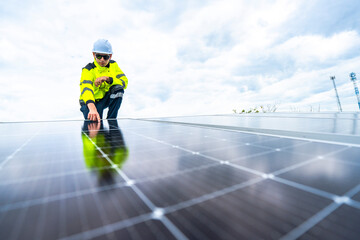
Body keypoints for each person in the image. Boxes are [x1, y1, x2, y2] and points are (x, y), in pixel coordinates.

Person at [79, 39, 128, 122]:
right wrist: (93, 109)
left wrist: (109, 79)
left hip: (104, 99)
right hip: (90, 103)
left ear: (110, 56)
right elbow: (86, 89)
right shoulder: (87, 70)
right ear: (93, 54)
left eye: (105, 57)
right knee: (94, 125)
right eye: (98, 56)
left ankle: (112, 122)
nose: (102, 60)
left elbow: (124, 82)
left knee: (118, 89)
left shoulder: (114, 65)